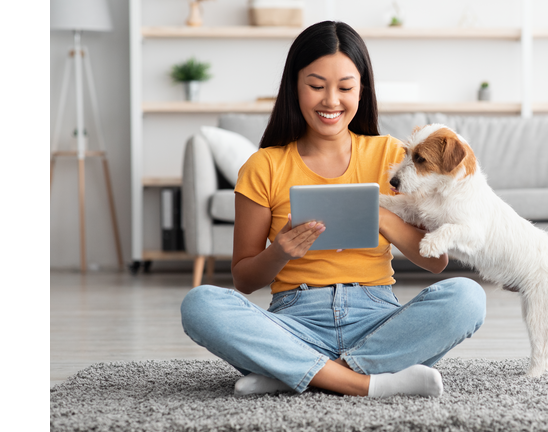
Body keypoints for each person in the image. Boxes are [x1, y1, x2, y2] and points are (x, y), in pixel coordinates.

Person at [180, 21, 486, 398]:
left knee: (467, 297)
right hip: (295, 320)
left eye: (344, 87)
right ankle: (363, 381)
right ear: (295, 86)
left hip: (376, 316)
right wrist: (280, 251)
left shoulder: (394, 157)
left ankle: (293, 372)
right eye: (316, 85)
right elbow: (243, 279)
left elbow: (436, 262)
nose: (331, 101)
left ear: (361, 90)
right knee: (200, 304)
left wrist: (382, 218)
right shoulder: (264, 165)